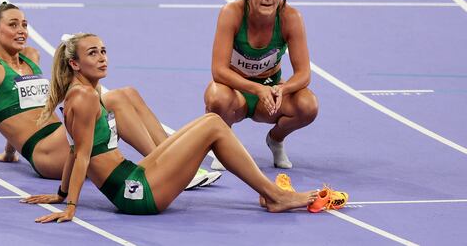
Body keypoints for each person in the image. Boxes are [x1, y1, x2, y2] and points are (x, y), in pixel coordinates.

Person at [22, 33, 318, 221]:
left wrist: (60, 195)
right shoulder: (84, 97)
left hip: (133, 174)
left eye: (103, 51)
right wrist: (70, 206)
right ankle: (274, 195)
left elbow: (73, 150)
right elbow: (83, 156)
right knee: (214, 126)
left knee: (211, 121)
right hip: (134, 194)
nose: (102, 58)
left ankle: (269, 193)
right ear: (74, 64)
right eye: (93, 54)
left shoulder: (84, 92)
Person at [0, 3, 220, 189]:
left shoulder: (30, 57)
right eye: (13, 25)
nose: (22, 30)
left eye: (25, 24)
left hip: (62, 136)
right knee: (114, 100)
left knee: (128, 93)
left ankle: (170, 156)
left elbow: (22, 105)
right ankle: (167, 164)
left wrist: (10, 151)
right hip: (46, 152)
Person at [203, 0, 318, 170]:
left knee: (308, 105)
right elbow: (218, 71)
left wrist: (282, 89)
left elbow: (304, 73)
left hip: (270, 94)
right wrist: (257, 88)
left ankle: (275, 140)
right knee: (216, 96)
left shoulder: (291, 18)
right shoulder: (231, 13)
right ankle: (223, 144)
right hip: (235, 93)